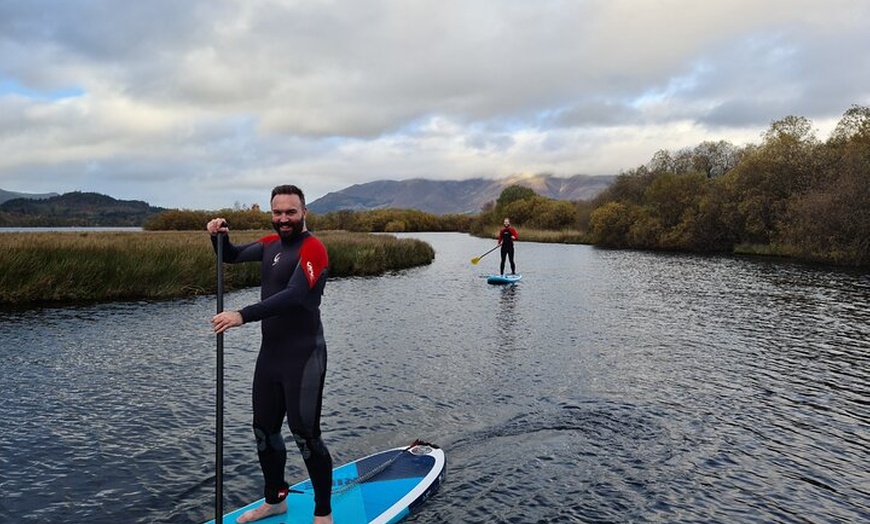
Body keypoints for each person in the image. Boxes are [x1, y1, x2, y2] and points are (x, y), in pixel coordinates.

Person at [208, 184, 333, 524]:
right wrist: (218, 236)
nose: (283, 219)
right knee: (264, 430)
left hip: (304, 356)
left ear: (304, 212)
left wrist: (241, 315)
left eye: (290, 212)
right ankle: (276, 500)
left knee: (306, 435)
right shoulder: (269, 245)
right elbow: (229, 256)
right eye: (277, 212)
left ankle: (323, 514)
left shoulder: (314, 249)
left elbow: (294, 295)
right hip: (271, 357)